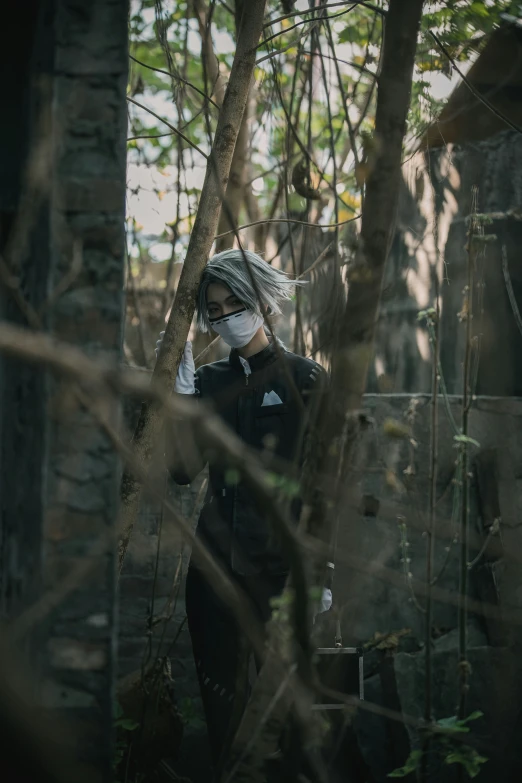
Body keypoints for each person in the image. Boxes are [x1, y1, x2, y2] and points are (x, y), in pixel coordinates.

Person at [157, 249, 332, 771]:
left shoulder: (306, 379)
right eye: (216, 308)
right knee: (223, 716)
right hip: (213, 572)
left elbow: (323, 487)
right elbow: (183, 472)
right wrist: (182, 402)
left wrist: (321, 573)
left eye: (237, 302)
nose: (228, 315)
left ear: (262, 301)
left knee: (289, 716)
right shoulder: (208, 382)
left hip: (282, 573)